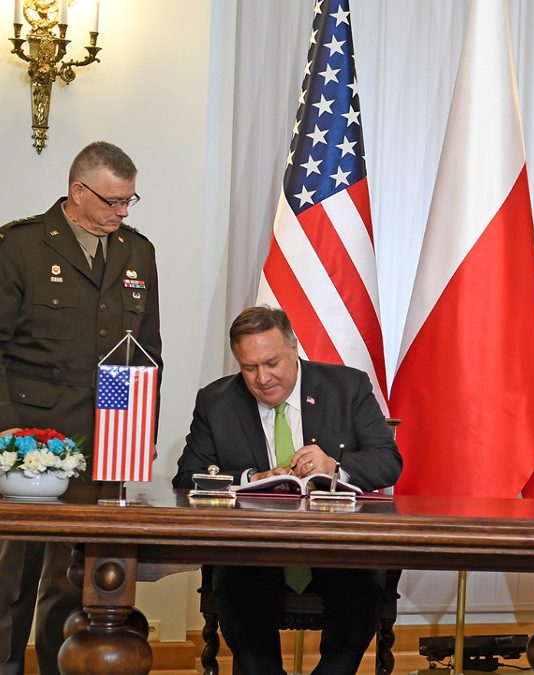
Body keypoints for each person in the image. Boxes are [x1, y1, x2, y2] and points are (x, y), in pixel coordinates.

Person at [0, 141, 161, 675]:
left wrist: (142, 433)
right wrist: (7, 436)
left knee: (77, 581)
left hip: (106, 442)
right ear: (78, 192)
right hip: (27, 443)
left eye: (129, 200)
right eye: (114, 201)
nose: (123, 212)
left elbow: (147, 354)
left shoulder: (137, 252)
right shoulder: (19, 246)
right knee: (10, 578)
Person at [173, 306, 401, 674]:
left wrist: (335, 467)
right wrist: (251, 479)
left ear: (294, 347)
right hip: (254, 552)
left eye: (271, 363)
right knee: (234, 588)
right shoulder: (216, 401)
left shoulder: (347, 388)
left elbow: (388, 461)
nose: (262, 378)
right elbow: (186, 478)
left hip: (337, 549)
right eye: (249, 367)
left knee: (362, 589)